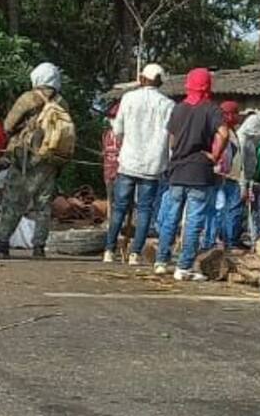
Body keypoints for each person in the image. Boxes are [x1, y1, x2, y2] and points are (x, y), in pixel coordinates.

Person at [0, 63, 69, 260]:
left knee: (13, 202)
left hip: (26, 158)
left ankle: (1, 244)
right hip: (51, 159)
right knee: (43, 206)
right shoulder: (62, 103)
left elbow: (8, 125)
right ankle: (39, 248)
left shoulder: (29, 98)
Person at [154, 68, 224, 281]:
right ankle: (183, 267)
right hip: (199, 172)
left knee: (170, 218)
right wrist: (214, 155)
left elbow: (172, 141)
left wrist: (180, 150)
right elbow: (224, 133)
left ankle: (161, 261)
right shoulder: (212, 109)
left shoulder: (178, 109)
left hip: (177, 170)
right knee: (193, 221)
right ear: (207, 86)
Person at [105, 63, 174, 266]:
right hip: (153, 165)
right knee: (144, 210)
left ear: (142, 79)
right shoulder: (168, 105)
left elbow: (117, 130)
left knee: (119, 208)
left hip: (128, 161)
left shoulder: (128, 98)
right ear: (160, 82)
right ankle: (135, 253)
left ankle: (109, 250)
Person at [209, 100, 245, 249]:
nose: (238, 117)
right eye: (236, 113)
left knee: (225, 210)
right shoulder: (223, 131)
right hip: (223, 176)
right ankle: (219, 240)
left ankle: (224, 239)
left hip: (230, 176)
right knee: (222, 210)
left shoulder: (232, 131)